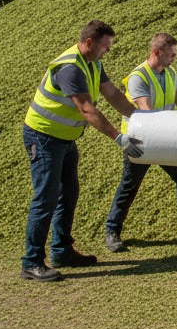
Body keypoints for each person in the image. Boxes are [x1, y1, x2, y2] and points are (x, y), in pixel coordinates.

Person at [21, 20, 142, 282]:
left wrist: (141, 116)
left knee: (69, 194)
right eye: (105, 47)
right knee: (46, 199)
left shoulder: (93, 63)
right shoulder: (69, 68)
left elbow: (113, 94)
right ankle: (31, 262)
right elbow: (86, 109)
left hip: (64, 139)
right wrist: (119, 137)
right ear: (89, 43)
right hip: (43, 138)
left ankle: (62, 251)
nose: (107, 51)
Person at [105, 32, 177, 251]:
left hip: (165, 138)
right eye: (171, 54)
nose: (174, 58)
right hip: (139, 142)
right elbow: (145, 110)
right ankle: (112, 231)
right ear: (157, 52)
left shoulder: (170, 73)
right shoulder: (139, 77)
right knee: (130, 185)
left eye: (175, 54)